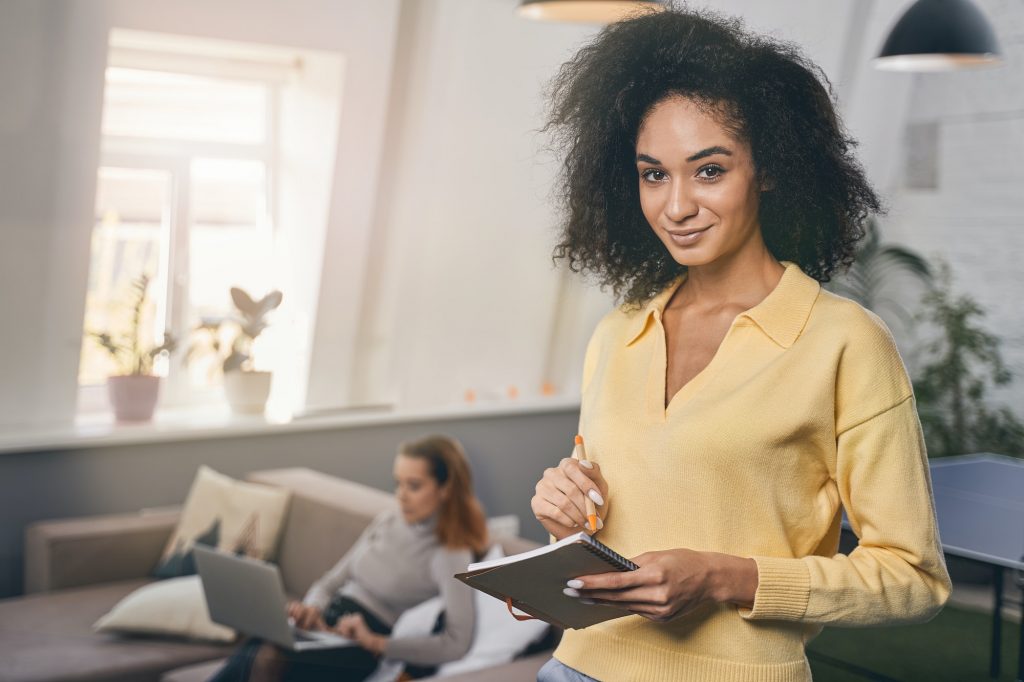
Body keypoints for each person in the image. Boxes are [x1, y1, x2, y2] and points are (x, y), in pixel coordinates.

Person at [529, 7, 952, 681]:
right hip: (575, 668)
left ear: (772, 169)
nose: (676, 206)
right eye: (653, 174)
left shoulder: (843, 343)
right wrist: (564, 521)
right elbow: (608, 527)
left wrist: (728, 578)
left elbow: (913, 578)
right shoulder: (618, 333)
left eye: (709, 170)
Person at [212, 435, 488, 682]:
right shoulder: (388, 521)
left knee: (268, 658)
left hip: (359, 647)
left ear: (446, 488)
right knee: (259, 646)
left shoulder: (450, 552)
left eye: (413, 486)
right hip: (328, 623)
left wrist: (378, 643)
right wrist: (312, 610)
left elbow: (456, 642)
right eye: (398, 483)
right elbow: (330, 582)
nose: (401, 496)